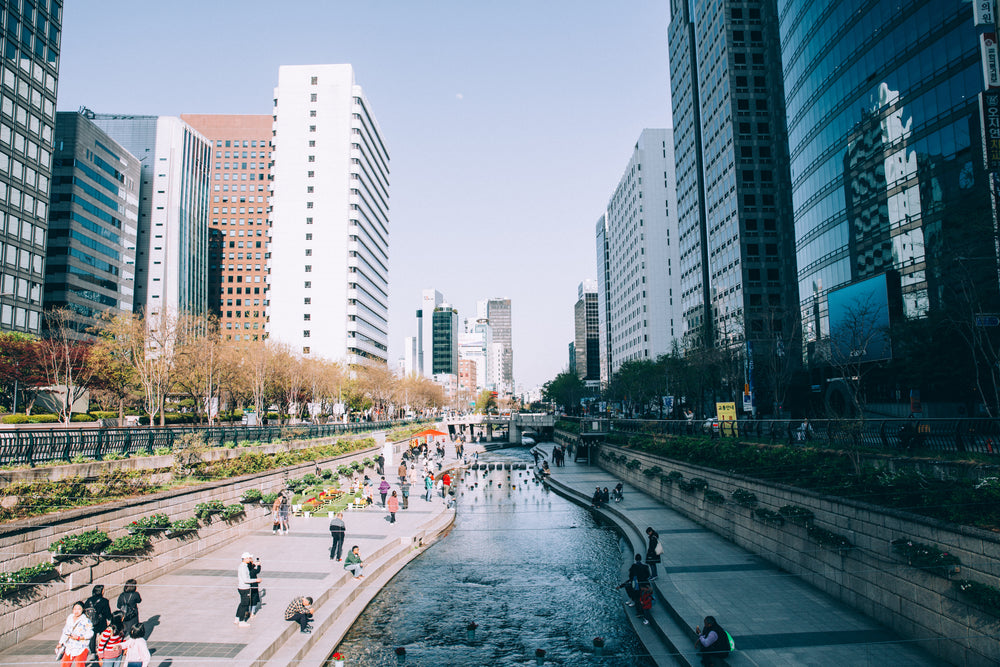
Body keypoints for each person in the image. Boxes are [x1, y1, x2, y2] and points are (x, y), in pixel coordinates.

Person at [55, 601, 93, 667]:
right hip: (69, 646)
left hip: (81, 647)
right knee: (65, 664)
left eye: (79, 609)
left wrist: (79, 638)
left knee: (79, 665)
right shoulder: (70, 618)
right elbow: (65, 632)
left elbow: (90, 633)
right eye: (75, 609)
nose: (76, 611)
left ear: (83, 610)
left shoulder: (86, 620)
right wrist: (60, 643)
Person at [84, 584, 112, 659]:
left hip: (91, 621)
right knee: (103, 635)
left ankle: (93, 652)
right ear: (101, 591)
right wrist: (109, 619)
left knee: (93, 636)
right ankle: (102, 649)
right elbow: (107, 612)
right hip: (101, 621)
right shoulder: (104, 601)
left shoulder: (88, 600)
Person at [235, 552, 257, 627]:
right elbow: (246, 580)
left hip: (242, 587)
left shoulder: (243, 566)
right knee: (244, 604)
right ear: (245, 558)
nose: (250, 559)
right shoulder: (243, 567)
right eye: (249, 558)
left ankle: (237, 618)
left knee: (242, 603)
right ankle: (241, 621)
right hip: (244, 588)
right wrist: (256, 580)